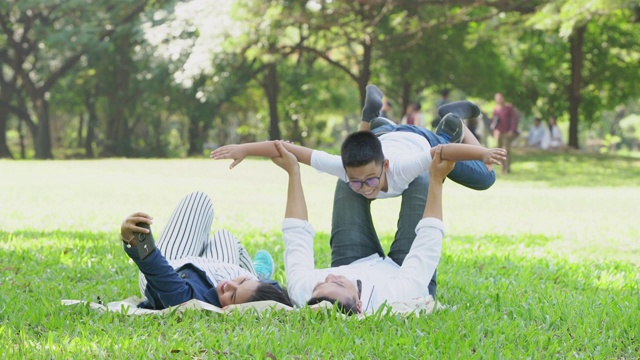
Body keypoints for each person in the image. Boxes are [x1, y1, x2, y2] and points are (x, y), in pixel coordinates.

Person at [270, 140, 453, 315]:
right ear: (359, 306)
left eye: (321, 284)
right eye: (339, 284)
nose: (331, 277)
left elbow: (296, 234)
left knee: (350, 179)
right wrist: (437, 179)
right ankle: (436, 137)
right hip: (404, 269)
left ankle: (381, 133)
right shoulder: (399, 294)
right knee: (422, 179)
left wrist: (293, 172)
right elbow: (428, 241)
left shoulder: (303, 291)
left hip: (353, 262)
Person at [120, 191, 293, 310]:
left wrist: (134, 242)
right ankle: (258, 275)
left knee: (197, 200)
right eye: (242, 282)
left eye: (233, 296)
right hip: (213, 270)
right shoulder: (239, 286)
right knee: (225, 236)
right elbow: (277, 294)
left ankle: (254, 276)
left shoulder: (189, 301)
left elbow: (157, 270)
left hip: (173, 266)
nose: (230, 284)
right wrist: (259, 283)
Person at [491, 93, 519, 173]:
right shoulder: (496, 109)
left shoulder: (509, 107)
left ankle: (507, 168)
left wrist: (512, 130)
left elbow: (514, 119)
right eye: (497, 98)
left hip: (507, 132)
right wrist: (495, 131)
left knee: (506, 150)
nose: (498, 100)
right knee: (499, 151)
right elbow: (493, 121)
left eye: (500, 98)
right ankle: (502, 168)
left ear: (503, 98)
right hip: (499, 132)